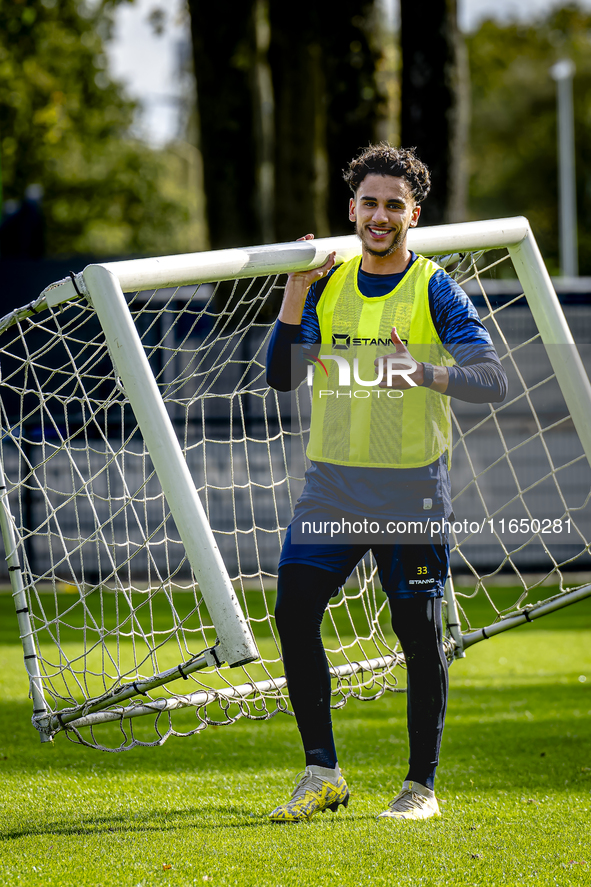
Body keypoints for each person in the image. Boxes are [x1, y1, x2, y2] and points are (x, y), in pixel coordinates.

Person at [265, 144, 507, 823]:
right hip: (332, 488)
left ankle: (419, 788)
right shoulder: (327, 284)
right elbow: (282, 374)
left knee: (416, 633)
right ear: (352, 209)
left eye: (392, 206)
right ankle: (321, 772)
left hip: (409, 489)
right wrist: (293, 288)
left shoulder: (434, 286)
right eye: (368, 203)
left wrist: (424, 372)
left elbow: (491, 378)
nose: (378, 216)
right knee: (293, 612)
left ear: (412, 215)